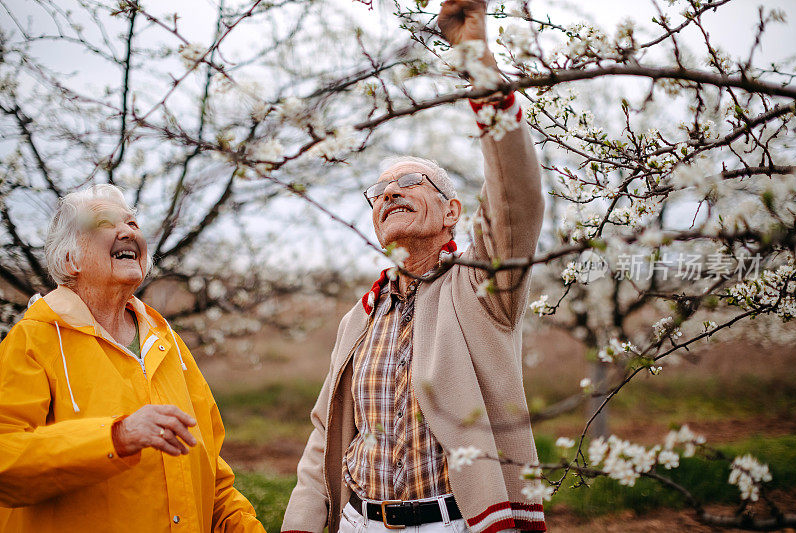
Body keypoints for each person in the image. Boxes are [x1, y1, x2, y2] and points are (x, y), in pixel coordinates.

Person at [281, 0, 546, 531]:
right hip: (361, 522)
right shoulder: (362, 316)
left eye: (409, 183)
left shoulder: (480, 288)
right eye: (379, 190)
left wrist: (477, 62)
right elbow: (325, 436)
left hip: (451, 522)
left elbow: (517, 198)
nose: (390, 193)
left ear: (452, 212)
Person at [0, 184, 266, 533]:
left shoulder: (166, 341)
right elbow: (6, 464)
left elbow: (210, 473)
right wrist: (118, 437)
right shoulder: (35, 339)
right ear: (71, 258)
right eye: (105, 223)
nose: (127, 231)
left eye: (133, 223)